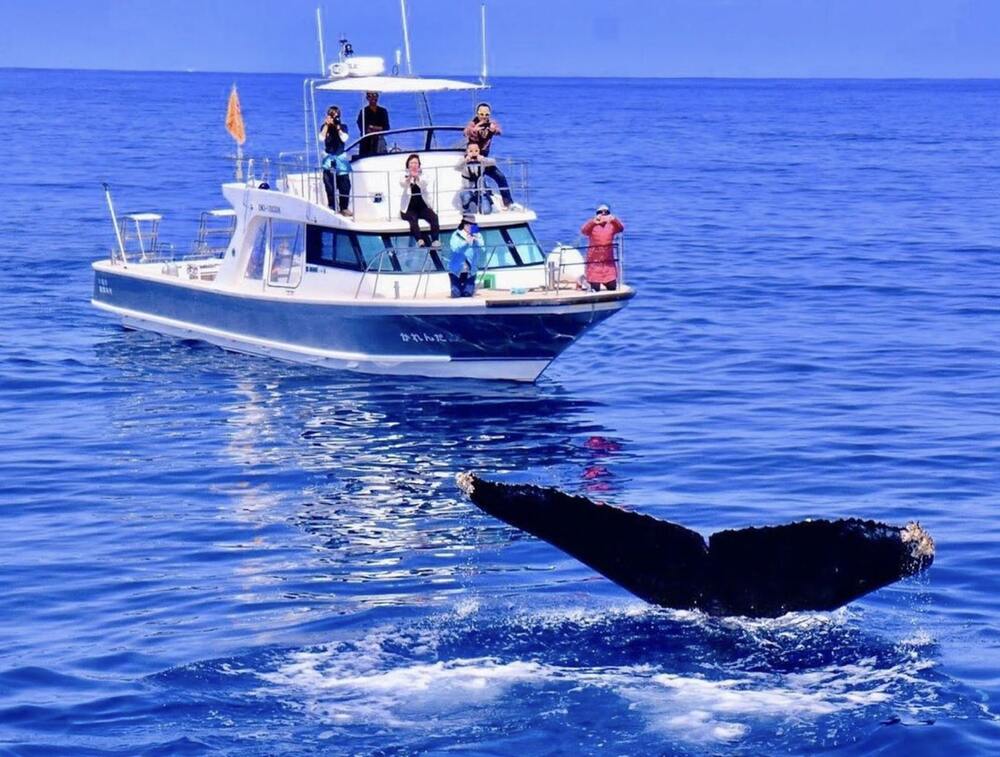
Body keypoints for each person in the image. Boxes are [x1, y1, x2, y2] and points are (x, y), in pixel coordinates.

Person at [463, 102, 518, 210]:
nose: (484, 117)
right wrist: (475, 129)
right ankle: (472, 201)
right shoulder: (472, 124)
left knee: (500, 176)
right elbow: (465, 132)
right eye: (481, 114)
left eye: (486, 114)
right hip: (473, 158)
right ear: (477, 114)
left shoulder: (491, 123)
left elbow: (499, 132)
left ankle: (507, 202)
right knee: (478, 180)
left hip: (484, 158)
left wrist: (494, 129)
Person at [580, 203, 624, 291]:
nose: (603, 214)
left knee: (612, 287)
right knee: (595, 288)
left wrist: (614, 220)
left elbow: (621, 228)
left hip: (608, 262)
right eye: (600, 212)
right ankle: (584, 281)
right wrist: (593, 222)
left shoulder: (612, 225)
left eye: (606, 212)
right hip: (594, 262)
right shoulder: (592, 225)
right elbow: (584, 231)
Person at [399, 154, 440, 247]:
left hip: (422, 207)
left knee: (434, 217)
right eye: (411, 163)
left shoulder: (423, 176)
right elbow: (402, 184)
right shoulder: (404, 175)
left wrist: (417, 177)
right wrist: (410, 177)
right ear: (408, 165)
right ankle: (419, 240)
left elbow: (424, 184)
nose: (414, 165)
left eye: (416, 163)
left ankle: (435, 240)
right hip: (408, 208)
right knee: (413, 219)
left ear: (419, 165)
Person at [319, 105, 351, 215]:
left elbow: (344, 138)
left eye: (336, 116)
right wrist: (326, 125)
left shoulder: (343, 126)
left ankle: (344, 207)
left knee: (345, 184)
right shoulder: (325, 127)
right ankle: (332, 206)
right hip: (328, 158)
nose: (334, 118)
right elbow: (321, 138)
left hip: (340, 158)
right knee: (329, 184)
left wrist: (338, 128)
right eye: (331, 116)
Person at [448, 216, 484, 298]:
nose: (471, 227)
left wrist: (476, 241)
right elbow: (455, 249)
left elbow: (483, 249)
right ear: (464, 225)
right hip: (456, 270)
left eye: (473, 225)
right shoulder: (456, 234)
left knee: (467, 294)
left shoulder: (478, 234)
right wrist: (466, 243)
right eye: (469, 224)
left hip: (471, 271)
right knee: (456, 294)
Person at [457, 143, 496, 214]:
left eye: (476, 150)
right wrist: (465, 160)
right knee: (466, 197)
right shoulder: (463, 160)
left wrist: (483, 159)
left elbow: (493, 162)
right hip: (468, 189)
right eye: (471, 151)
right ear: (467, 151)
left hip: (480, 191)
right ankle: (466, 209)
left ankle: (483, 205)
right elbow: (457, 168)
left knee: (486, 211)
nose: (473, 153)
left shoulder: (482, 160)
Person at [356, 91, 390, 157]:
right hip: (366, 142)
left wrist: (373, 127)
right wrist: (378, 128)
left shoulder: (383, 111)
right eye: (370, 96)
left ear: (377, 97)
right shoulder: (363, 111)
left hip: (379, 140)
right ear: (367, 98)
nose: (373, 98)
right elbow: (363, 127)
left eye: (375, 95)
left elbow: (386, 128)